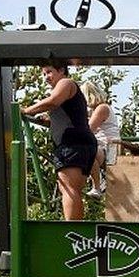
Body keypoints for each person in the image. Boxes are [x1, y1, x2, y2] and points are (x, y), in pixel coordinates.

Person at [21, 60, 97, 220]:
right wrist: (47, 121)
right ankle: (76, 229)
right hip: (81, 142)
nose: (46, 77)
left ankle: (72, 231)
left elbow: (52, 101)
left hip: (72, 143)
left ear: (61, 70)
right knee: (72, 189)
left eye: (49, 72)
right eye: (43, 74)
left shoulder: (66, 83)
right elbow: (67, 116)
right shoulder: (68, 91)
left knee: (68, 188)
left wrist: (27, 110)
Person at [80, 81, 120, 199]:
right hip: (102, 146)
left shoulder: (102, 108)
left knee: (86, 149)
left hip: (110, 149)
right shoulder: (94, 110)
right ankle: (94, 181)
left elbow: (88, 130)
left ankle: (96, 187)